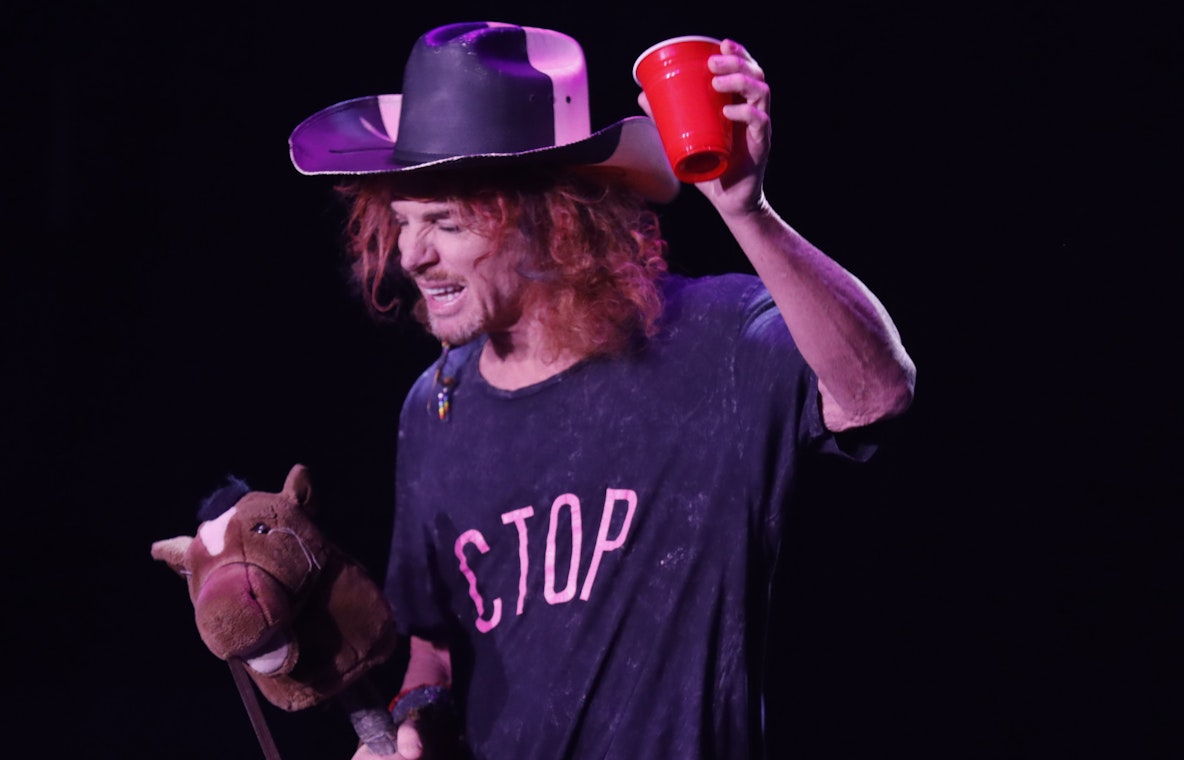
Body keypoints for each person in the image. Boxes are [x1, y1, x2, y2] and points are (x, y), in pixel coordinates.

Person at [288, 20, 915, 760]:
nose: (412, 256)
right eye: (404, 222)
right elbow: (437, 646)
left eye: (445, 223)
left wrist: (748, 211)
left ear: (550, 218)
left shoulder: (714, 340)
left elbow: (877, 392)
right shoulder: (434, 406)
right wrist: (415, 724)